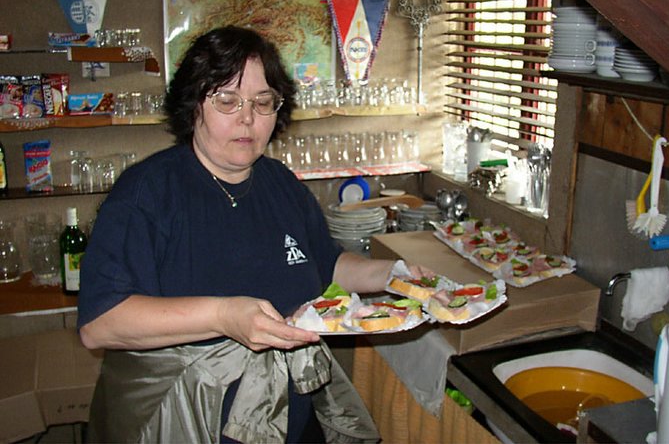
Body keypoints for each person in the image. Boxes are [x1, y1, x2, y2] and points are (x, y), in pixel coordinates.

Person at [77, 25, 435, 443]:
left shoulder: (279, 181)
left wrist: (392, 274)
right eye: (227, 100)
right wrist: (223, 316)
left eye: (262, 103)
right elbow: (101, 323)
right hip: (190, 419)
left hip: (287, 415)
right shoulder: (147, 193)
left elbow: (326, 263)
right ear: (193, 106)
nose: (247, 118)